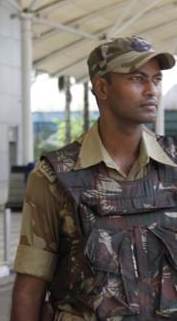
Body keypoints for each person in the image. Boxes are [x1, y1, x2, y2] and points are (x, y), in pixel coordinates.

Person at [11, 36, 177, 320]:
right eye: (137, 79)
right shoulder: (55, 175)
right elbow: (31, 283)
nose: (152, 90)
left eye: (156, 80)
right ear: (101, 87)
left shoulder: (173, 164)